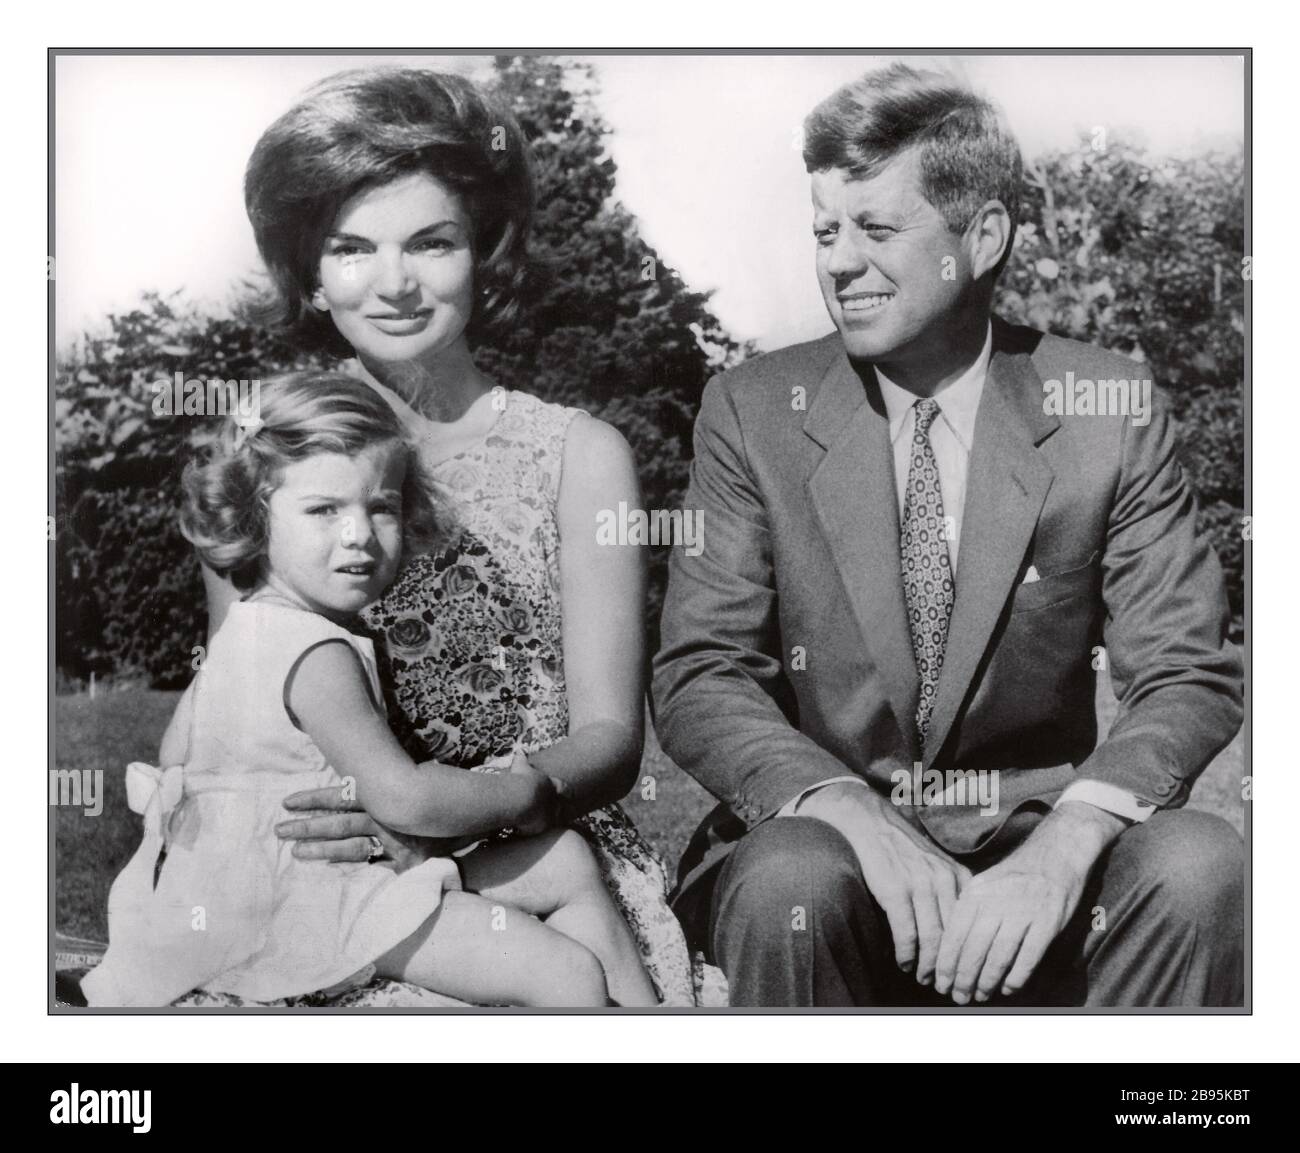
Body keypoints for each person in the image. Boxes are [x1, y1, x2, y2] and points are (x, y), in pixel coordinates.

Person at [651, 64, 1244, 1007]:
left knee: (1202, 865)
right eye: (824, 230)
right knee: (790, 881)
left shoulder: (1107, 409)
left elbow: (1185, 671)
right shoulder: (753, 410)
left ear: (984, 238)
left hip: (1037, 842)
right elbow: (703, 672)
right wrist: (848, 809)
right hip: (831, 856)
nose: (839, 260)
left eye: (877, 229)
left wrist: (1068, 843)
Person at [204, 66, 711, 1004]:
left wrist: (480, 807)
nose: (393, 283)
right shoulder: (265, 451)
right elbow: (248, 716)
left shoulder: (581, 454)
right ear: (310, 278)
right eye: (351, 250)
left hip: (548, 863)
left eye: (431, 243)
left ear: (483, 252)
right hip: (334, 874)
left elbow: (611, 737)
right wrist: (378, 824)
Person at [84, 373, 658, 1008]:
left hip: (265, 896)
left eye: (380, 506)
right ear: (255, 518)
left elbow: (176, 757)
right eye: (324, 510)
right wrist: (521, 790)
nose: (359, 532)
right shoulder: (315, 651)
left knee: (565, 861)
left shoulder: (248, 632)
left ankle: (654, 1021)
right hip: (302, 914)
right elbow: (405, 801)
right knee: (564, 973)